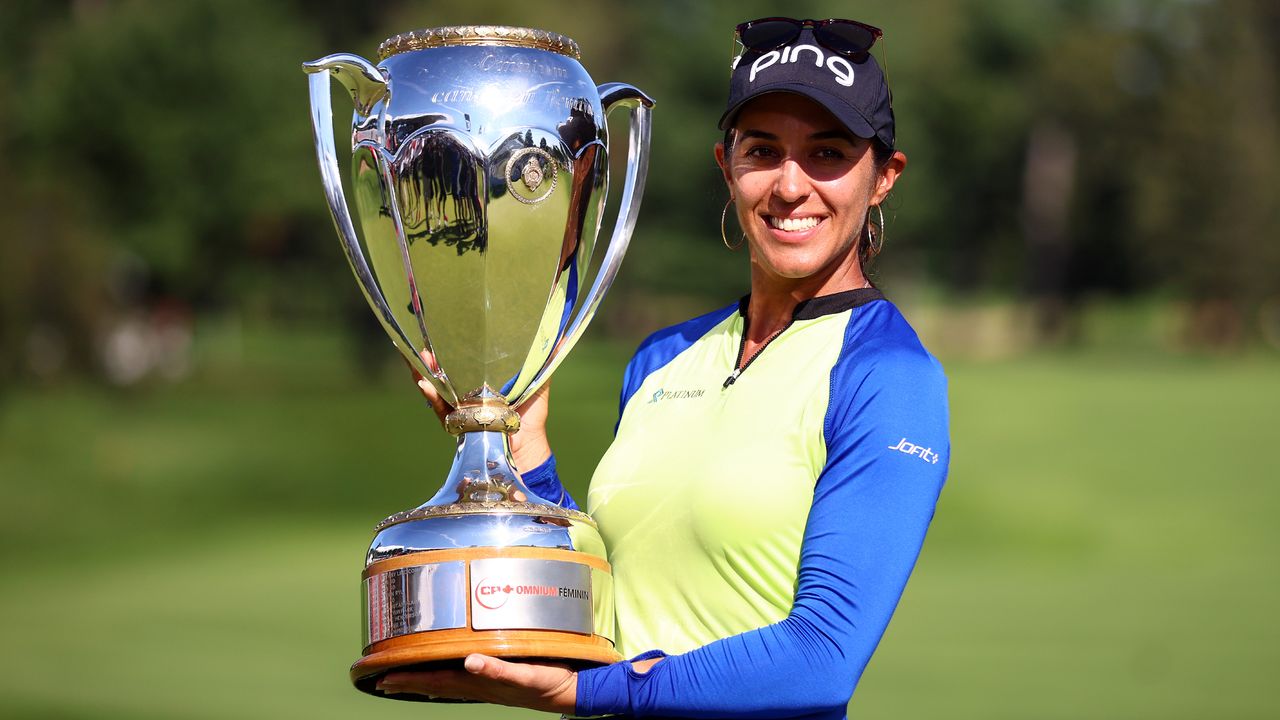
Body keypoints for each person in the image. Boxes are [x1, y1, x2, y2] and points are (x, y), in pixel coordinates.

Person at [378, 17, 950, 719]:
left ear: (884, 177)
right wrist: (521, 449)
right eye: (763, 150)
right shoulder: (662, 357)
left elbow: (821, 658)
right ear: (726, 165)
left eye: (827, 153)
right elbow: (606, 600)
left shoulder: (889, 375)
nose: (790, 185)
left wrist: (588, 692)